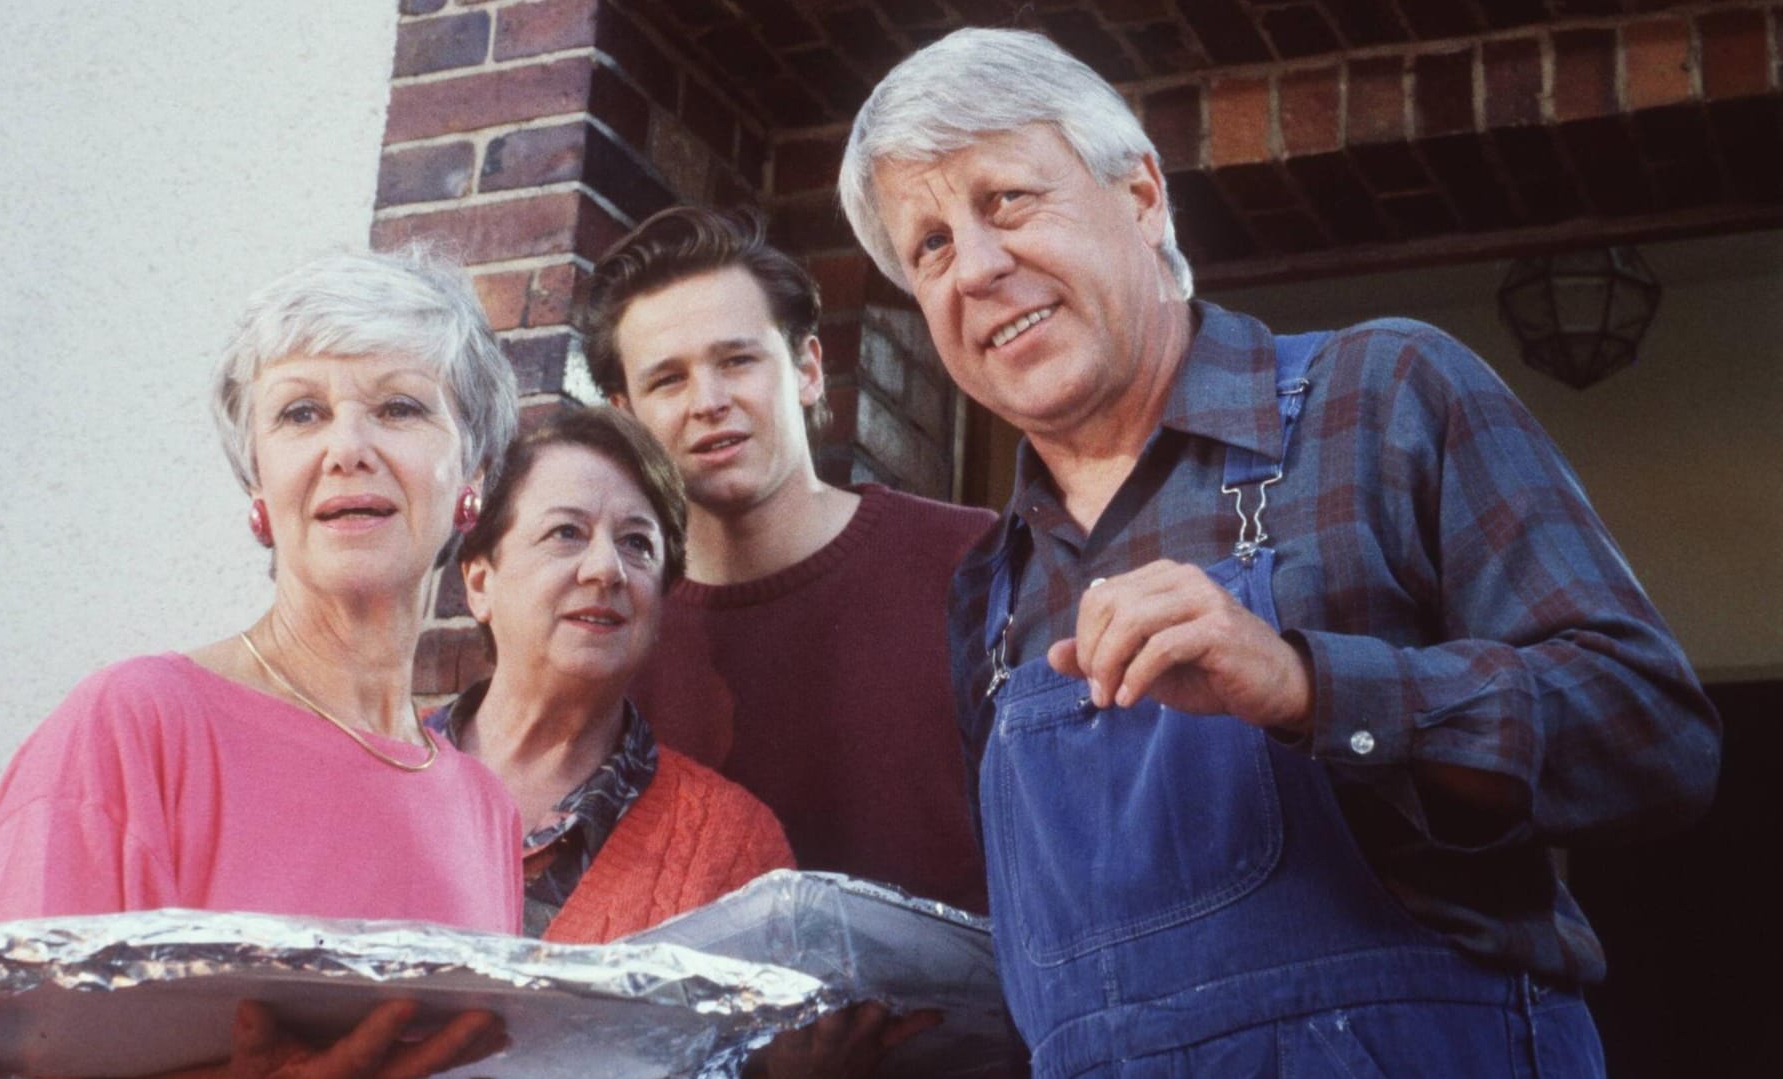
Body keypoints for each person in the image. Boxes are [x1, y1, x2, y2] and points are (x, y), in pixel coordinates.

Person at [839, 27, 1722, 1077]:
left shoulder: (1384, 392)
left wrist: (1310, 687)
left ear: (1141, 196)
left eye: (1008, 200)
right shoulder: (992, 587)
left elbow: (1655, 738)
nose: (976, 267)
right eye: (929, 244)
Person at [0, 247, 524, 1077]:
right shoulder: (136, 726)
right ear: (259, 489)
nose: (348, 446)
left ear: (472, 478)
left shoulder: (484, 809)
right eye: (301, 413)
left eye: (400, 407)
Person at [578, 206, 995, 916]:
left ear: (806, 368)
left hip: (976, 1021)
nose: (709, 402)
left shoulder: (971, 560)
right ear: (625, 415)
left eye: (737, 360)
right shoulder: (609, 629)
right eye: (668, 380)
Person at [430, 406, 794, 944]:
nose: (606, 569)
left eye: (637, 543)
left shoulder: (735, 847)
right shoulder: (368, 775)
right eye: (566, 532)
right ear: (480, 584)